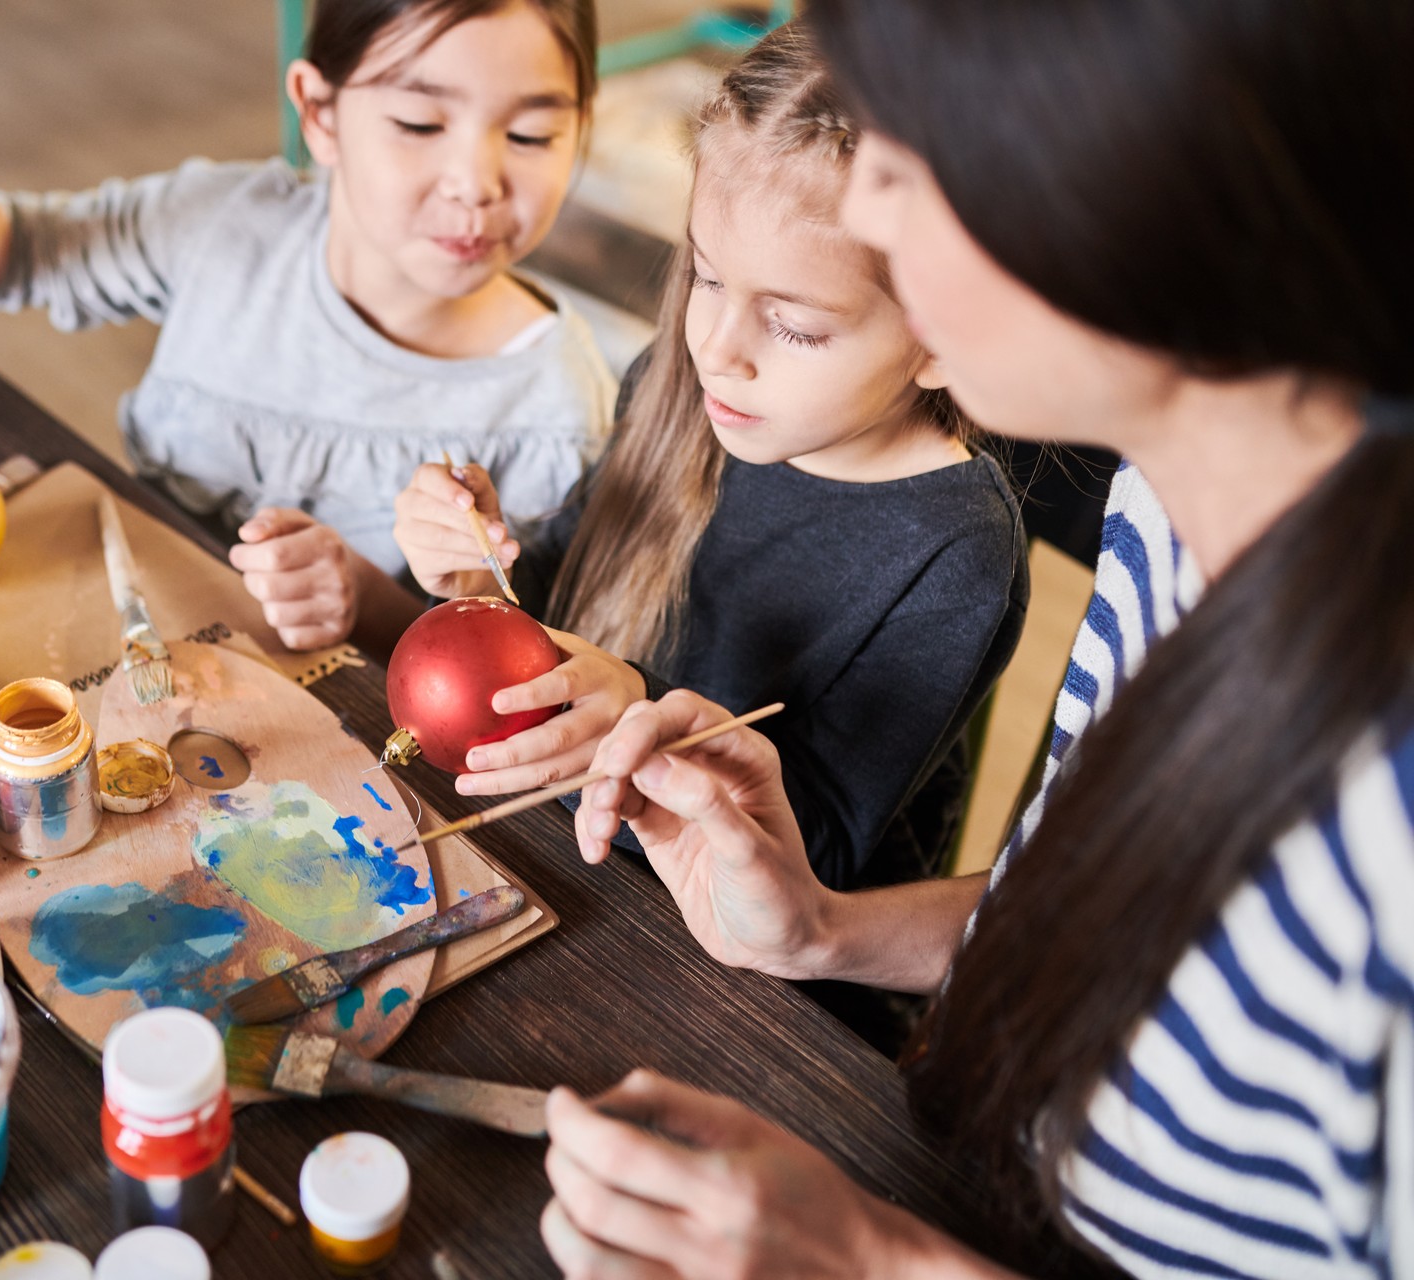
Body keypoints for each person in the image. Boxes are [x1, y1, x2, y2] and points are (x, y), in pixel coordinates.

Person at [541, 0, 1413, 1275]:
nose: (873, 221)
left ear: (1133, 191)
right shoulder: (1168, 505)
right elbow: (1113, 923)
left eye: (906, 165)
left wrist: (872, 1260)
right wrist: (822, 928)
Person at [391, 25, 1027, 892]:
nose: (716, 347)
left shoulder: (956, 552)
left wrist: (644, 724)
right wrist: (478, 586)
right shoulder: (681, 386)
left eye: (795, 325)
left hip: (746, 960)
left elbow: (826, 850)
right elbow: (561, 584)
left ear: (949, 340)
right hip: (567, 852)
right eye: (706, 275)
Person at [0, 0, 614, 594]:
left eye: (532, 136)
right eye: (419, 122)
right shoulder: (225, 224)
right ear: (319, 113)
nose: (476, 184)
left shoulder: (555, 417)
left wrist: (370, 597)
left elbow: (520, 665)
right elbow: (28, 253)